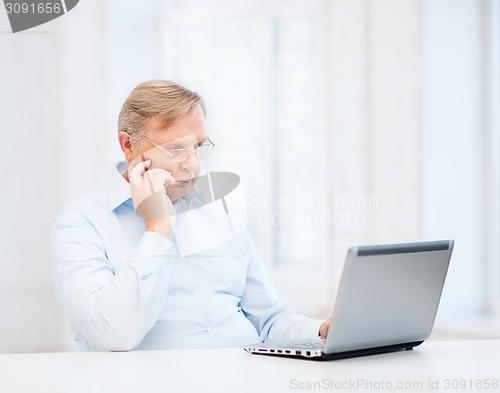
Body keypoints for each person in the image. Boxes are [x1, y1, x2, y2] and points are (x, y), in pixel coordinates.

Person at [51, 80, 330, 351]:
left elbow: (269, 321)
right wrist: (158, 226)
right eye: (175, 149)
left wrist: (320, 331)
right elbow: (113, 334)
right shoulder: (81, 223)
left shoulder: (220, 214)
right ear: (128, 144)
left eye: (198, 147)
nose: (193, 166)